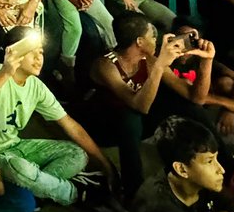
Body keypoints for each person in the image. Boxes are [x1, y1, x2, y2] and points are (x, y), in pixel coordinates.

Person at [0, 26, 112, 205]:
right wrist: (6, 71)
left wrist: (105, 165)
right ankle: (75, 193)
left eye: (40, 52)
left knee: (77, 154)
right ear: (14, 53)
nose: (38, 58)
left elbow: (69, 125)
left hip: (17, 147)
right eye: (31, 53)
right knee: (18, 168)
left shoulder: (36, 86)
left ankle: (38, 190)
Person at [88, 13, 214, 196]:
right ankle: (133, 193)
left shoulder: (149, 60)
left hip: (138, 124)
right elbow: (140, 106)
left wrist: (206, 61)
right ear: (140, 41)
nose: (156, 39)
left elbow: (196, 98)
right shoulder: (105, 64)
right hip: (106, 128)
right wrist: (160, 66)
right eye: (152, 36)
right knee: (130, 116)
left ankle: (229, 166)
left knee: (188, 106)